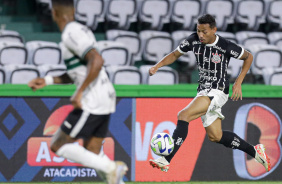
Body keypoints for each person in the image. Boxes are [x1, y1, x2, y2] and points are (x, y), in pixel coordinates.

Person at [149, 14, 271, 173]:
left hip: (218, 91)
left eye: (204, 32)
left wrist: (238, 82)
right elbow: (175, 54)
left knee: (183, 115)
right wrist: (157, 66)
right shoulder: (193, 40)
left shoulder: (226, 46)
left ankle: (166, 159)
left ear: (214, 30)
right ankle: (255, 151)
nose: (200, 35)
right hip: (203, 91)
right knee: (216, 136)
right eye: (198, 31)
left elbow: (249, 56)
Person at [28, 0, 127, 183]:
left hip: (92, 98)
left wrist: (79, 92)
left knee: (58, 145)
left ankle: (112, 167)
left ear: (54, 14)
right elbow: (78, 71)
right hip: (104, 95)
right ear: (73, 11)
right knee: (93, 152)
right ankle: (116, 177)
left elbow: (97, 61)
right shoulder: (82, 30)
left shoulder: (70, 33)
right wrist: (48, 80)